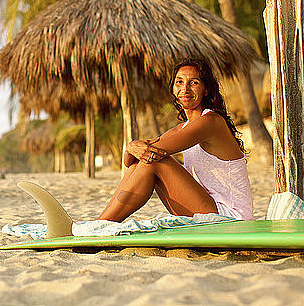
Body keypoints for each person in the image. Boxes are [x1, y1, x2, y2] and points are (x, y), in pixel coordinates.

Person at [97, 58, 254, 222]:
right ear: (173, 88)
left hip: (231, 216)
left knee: (155, 160)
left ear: (206, 89)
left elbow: (150, 152)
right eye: (179, 82)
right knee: (141, 163)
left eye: (193, 83)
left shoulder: (210, 122)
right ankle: (100, 223)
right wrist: (131, 147)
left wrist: (133, 146)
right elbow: (129, 162)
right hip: (210, 209)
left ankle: (101, 225)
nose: (185, 89)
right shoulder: (182, 128)